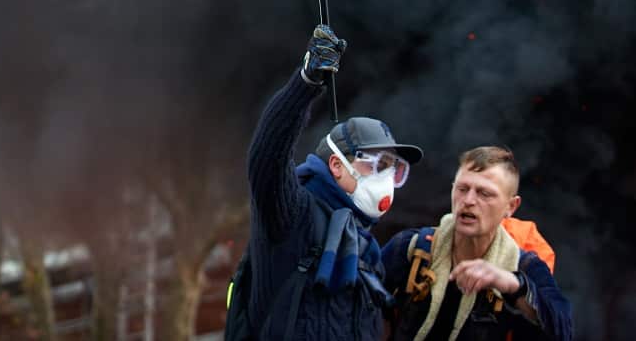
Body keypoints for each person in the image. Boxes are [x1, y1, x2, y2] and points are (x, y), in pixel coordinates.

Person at [242, 25, 422, 340]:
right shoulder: (292, 214)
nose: (385, 178)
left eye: (393, 167)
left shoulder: (367, 252)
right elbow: (266, 156)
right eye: (374, 164)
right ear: (337, 165)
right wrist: (306, 82)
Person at [382, 146, 573, 341]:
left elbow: (563, 330)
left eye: (484, 194)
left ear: (511, 206)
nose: (469, 200)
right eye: (462, 189)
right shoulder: (411, 248)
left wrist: (512, 284)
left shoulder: (525, 266)